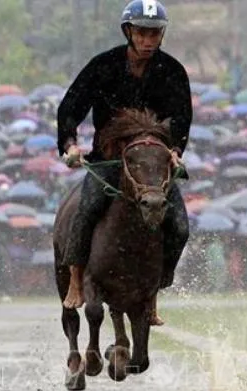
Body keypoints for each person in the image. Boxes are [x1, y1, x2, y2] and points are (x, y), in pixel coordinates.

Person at [57, 0, 192, 326]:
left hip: (153, 165)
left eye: (154, 34)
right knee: (87, 209)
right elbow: (70, 107)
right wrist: (70, 143)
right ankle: (76, 279)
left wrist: (175, 150)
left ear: (161, 35)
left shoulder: (172, 70)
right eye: (142, 34)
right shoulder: (103, 65)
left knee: (180, 225)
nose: (148, 41)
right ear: (129, 32)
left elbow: (183, 117)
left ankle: (156, 287)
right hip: (109, 160)